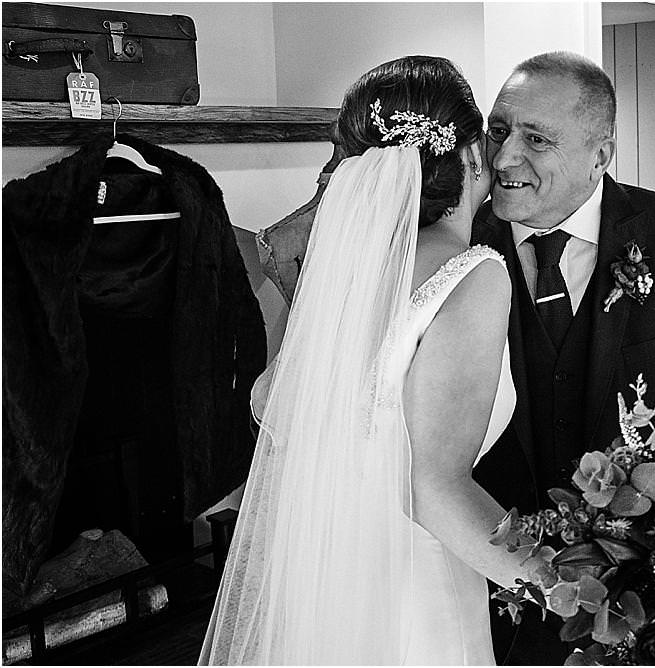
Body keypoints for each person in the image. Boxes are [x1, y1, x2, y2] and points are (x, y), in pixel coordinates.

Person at [200, 55, 535, 665]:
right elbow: (431, 487)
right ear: (468, 158)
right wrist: (565, 583)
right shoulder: (473, 274)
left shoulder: (341, 273)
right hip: (414, 598)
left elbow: (271, 401)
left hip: (322, 588)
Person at [470, 51, 655, 665]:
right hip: (485, 585)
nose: (502, 158)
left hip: (642, 596)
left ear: (600, 155)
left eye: (536, 139)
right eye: (498, 130)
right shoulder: (457, 241)